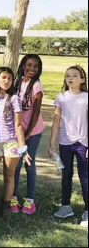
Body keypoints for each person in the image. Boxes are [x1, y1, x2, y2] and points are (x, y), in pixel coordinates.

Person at [0, 67, 31, 222]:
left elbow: (18, 125)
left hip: (11, 143)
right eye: (3, 77)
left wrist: (23, 148)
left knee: (8, 175)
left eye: (9, 78)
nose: (6, 81)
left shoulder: (14, 98)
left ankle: (6, 205)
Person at [49, 65, 88, 227]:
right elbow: (57, 120)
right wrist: (52, 142)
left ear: (82, 80)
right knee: (66, 175)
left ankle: (87, 210)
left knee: (85, 177)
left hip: (84, 143)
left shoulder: (86, 97)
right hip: (65, 143)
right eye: (67, 76)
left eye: (74, 75)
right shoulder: (61, 97)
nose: (70, 78)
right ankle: (65, 206)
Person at [12, 54, 45, 215]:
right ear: (23, 65)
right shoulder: (17, 82)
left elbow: (36, 114)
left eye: (35, 66)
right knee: (15, 165)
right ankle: (13, 197)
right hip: (18, 131)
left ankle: (30, 200)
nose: (32, 69)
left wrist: (27, 134)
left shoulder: (36, 86)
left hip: (32, 132)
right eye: (29, 65)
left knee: (29, 164)